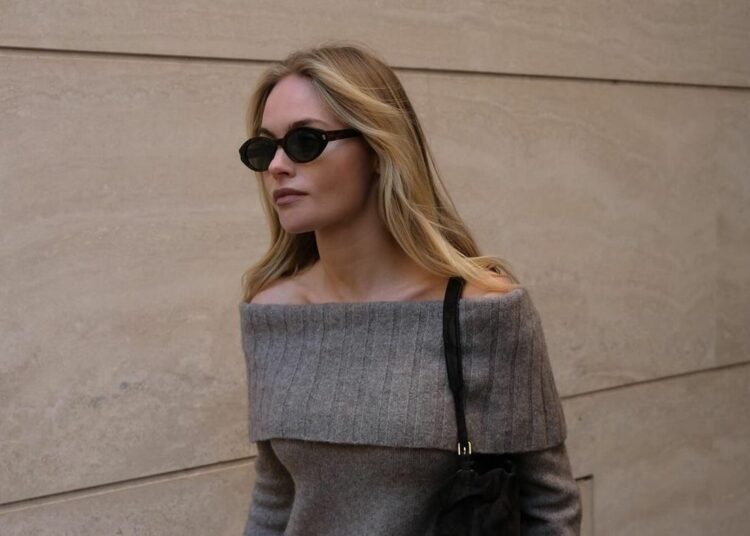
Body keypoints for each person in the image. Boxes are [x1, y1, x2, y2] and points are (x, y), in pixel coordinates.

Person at [237, 41, 582, 535]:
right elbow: (275, 501)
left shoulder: (485, 312)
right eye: (264, 148)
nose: (277, 166)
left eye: (305, 141)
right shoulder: (272, 314)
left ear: (379, 150)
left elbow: (550, 508)